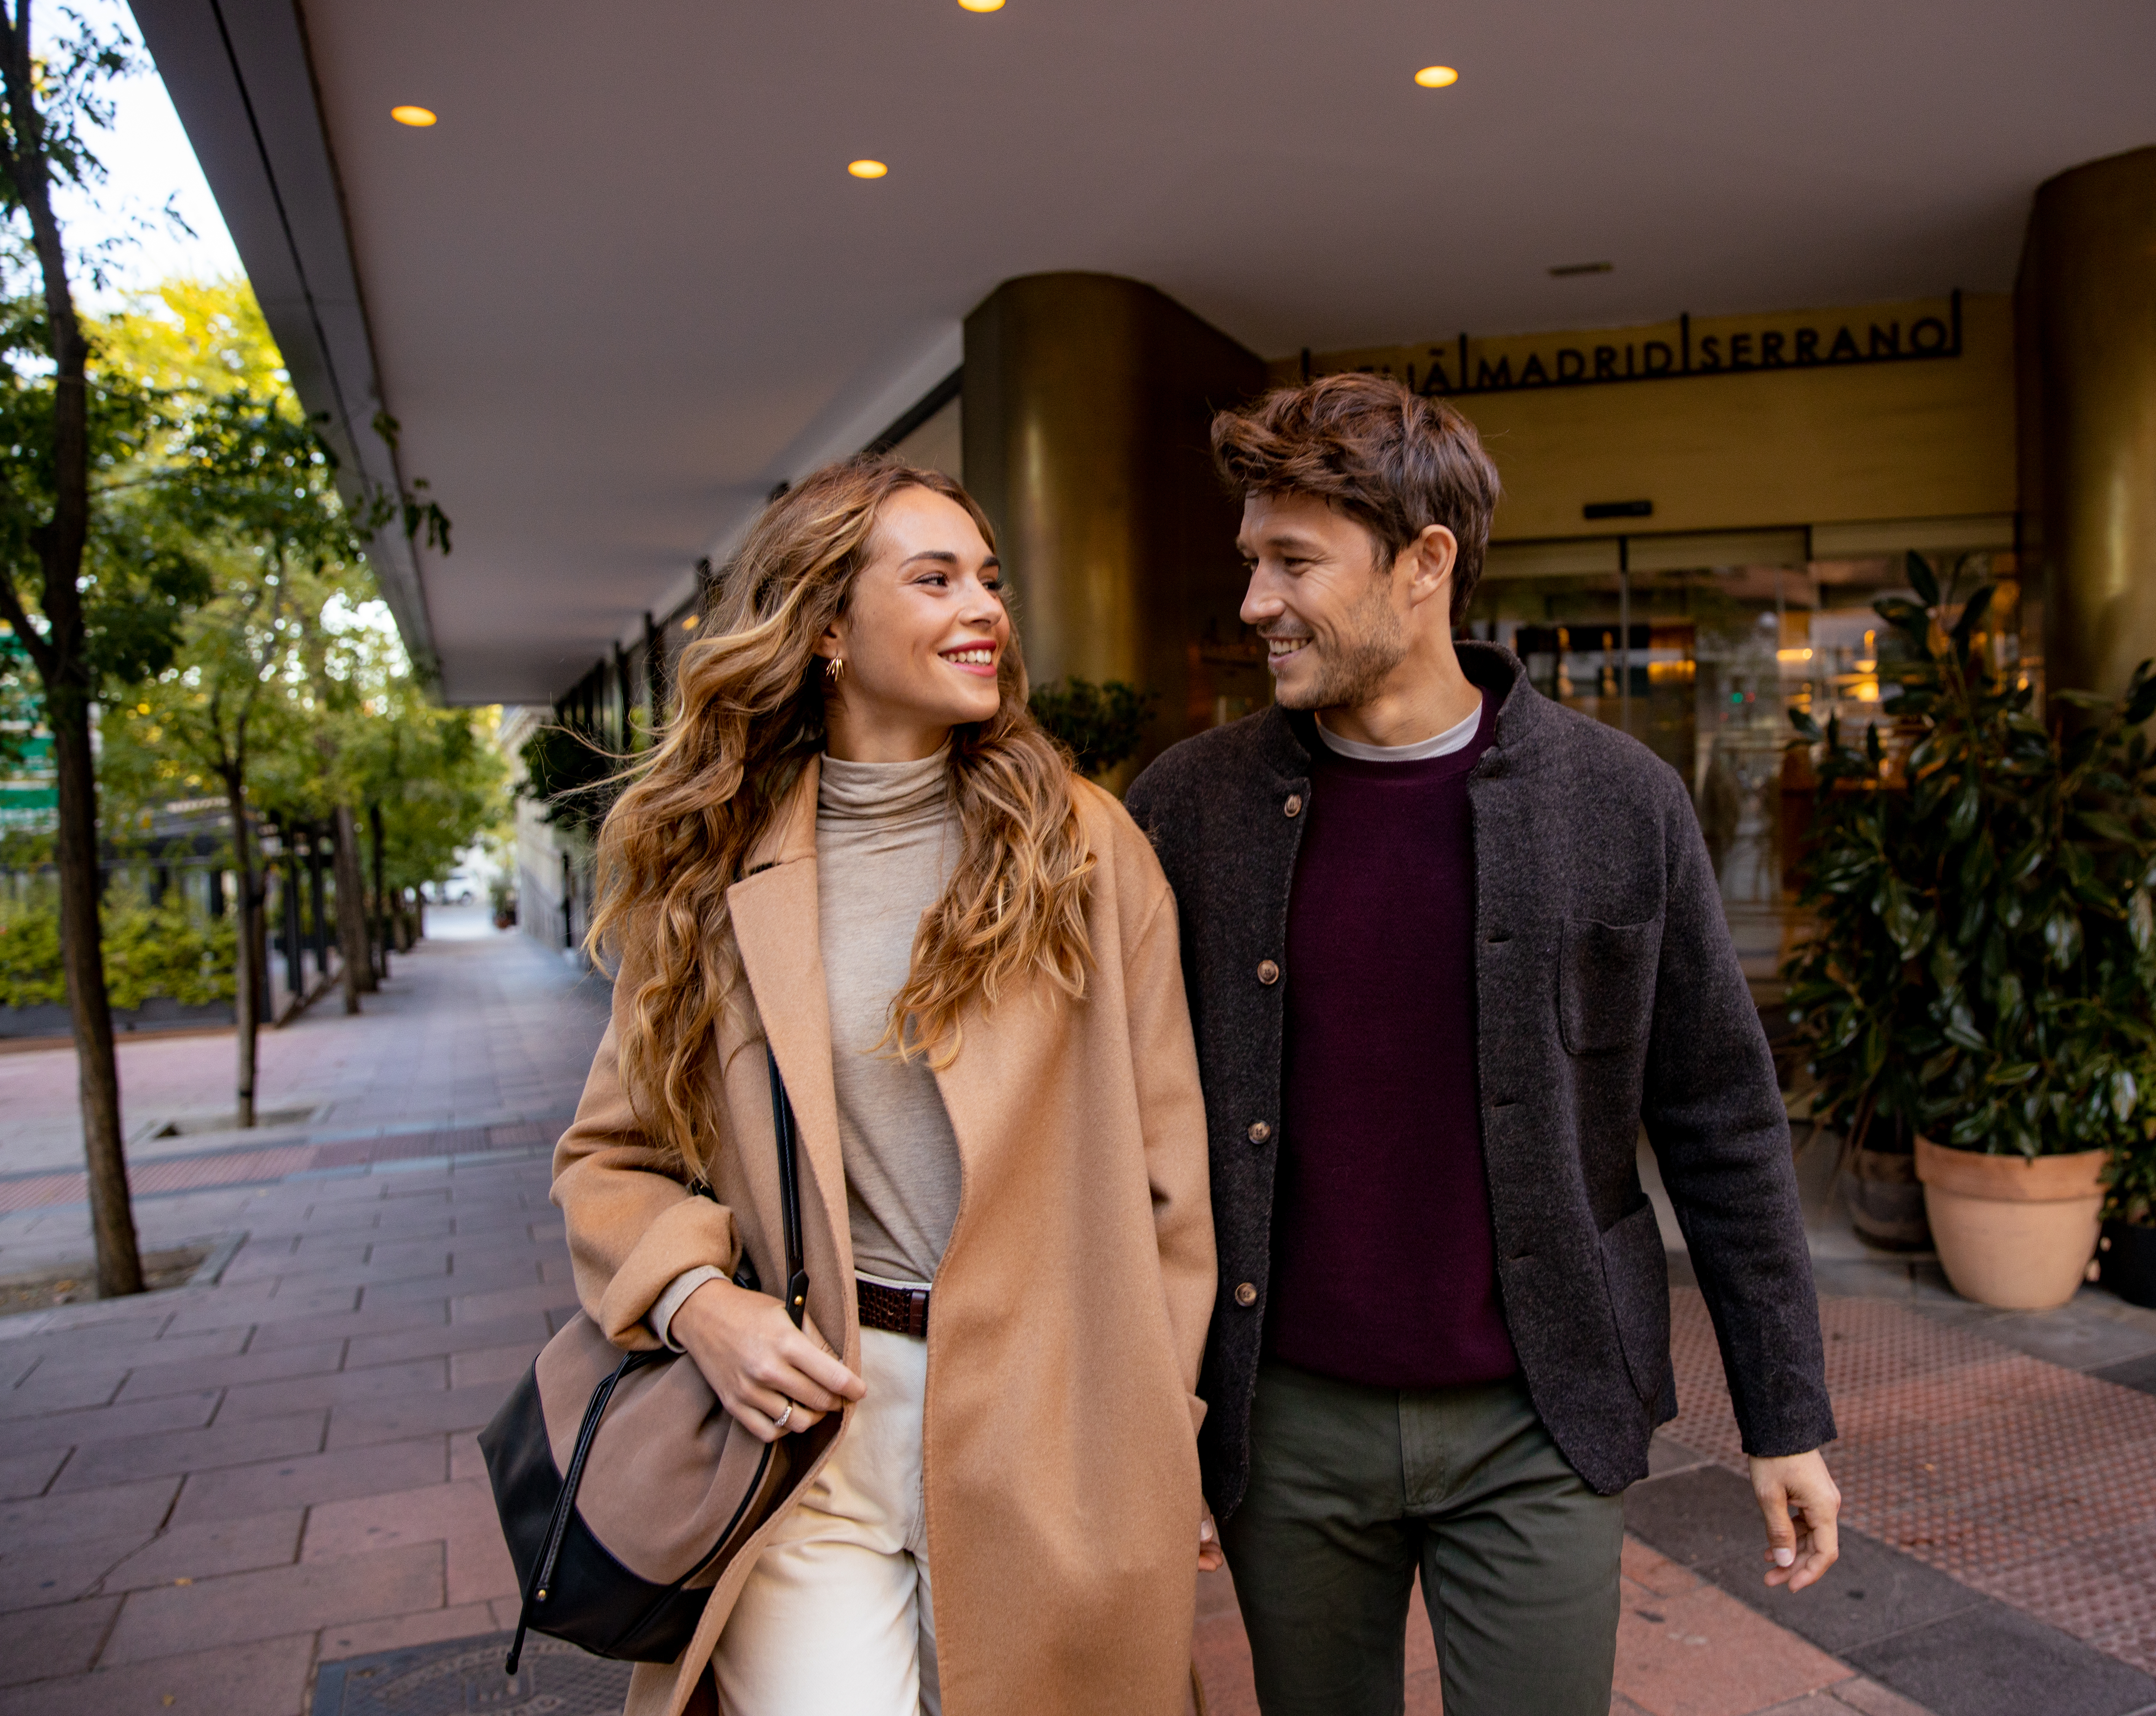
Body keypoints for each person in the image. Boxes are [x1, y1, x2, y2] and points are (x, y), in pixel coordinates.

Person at [1124, 375, 1841, 1716]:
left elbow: (1721, 1118)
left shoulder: (1621, 801)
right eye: (1250, 562)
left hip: (1542, 1417)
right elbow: (1115, 1131)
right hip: (1285, 1425)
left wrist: (1783, 1413)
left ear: (1425, 564)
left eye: (1294, 562)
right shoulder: (1188, 808)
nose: (1255, 603)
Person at [551, 458, 1216, 1716]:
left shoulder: (1081, 845)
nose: (986, 608)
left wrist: (1158, 1430)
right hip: (806, 1425)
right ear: (825, 631)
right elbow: (611, 1158)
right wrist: (700, 1303)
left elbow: (1170, 1175)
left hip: (1053, 1419)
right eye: (936, 578)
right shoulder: (713, 869)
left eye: (991, 579)